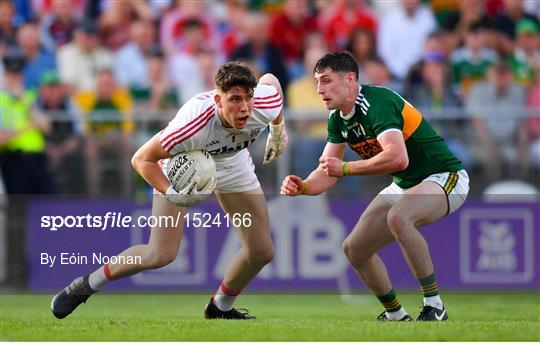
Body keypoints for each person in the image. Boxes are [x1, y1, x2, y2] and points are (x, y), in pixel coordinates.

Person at [51, 62, 287, 320]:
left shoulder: (263, 103)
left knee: (262, 251)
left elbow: (271, 80)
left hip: (233, 163)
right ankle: (85, 285)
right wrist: (172, 192)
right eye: (234, 100)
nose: (244, 107)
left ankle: (220, 307)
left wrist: (278, 128)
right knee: (160, 254)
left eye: (248, 98)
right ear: (218, 100)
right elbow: (141, 159)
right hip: (181, 164)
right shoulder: (192, 125)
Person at [281, 51, 468, 321]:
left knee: (399, 218)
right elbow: (327, 172)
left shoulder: (377, 102)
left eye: (326, 80)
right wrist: (305, 186)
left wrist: (345, 168)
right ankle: (395, 315)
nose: (319, 89)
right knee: (354, 248)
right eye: (317, 82)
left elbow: (397, 157)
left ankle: (435, 306)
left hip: (445, 176)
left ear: (350, 79)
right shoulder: (338, 118)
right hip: (406, 183)